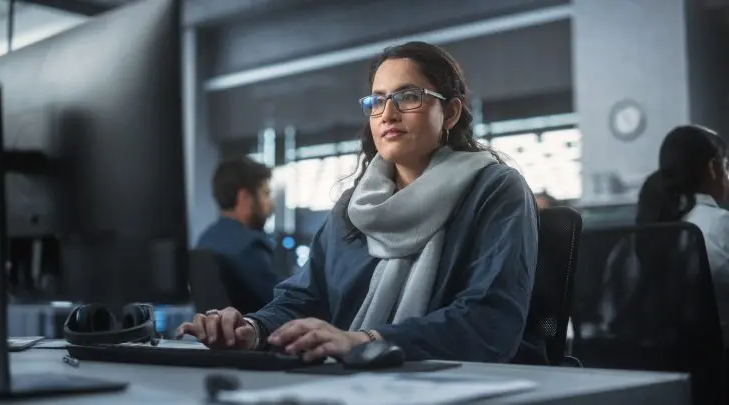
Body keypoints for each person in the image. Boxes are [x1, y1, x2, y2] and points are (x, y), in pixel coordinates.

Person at [178, 41, 540, 363]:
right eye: (377, 100)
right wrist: (252, 329)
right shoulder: (355, 207)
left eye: (408, 96)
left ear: (450, 113)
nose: (388, 113)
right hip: (360, 384)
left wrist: (365, 342)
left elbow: (489, 321)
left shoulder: (495, 190)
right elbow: (305, 298)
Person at [635, 124, 729, 340]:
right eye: (726, 165)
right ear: (713, 168)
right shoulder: (718, 223)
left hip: (666, 359)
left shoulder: (647, 230)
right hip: (717, 359)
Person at [195, 156, 279, 313]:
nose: (271, 204)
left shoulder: (204, 240)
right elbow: (284, 305)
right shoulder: (250, 246)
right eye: (265, 193)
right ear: (245, 197)